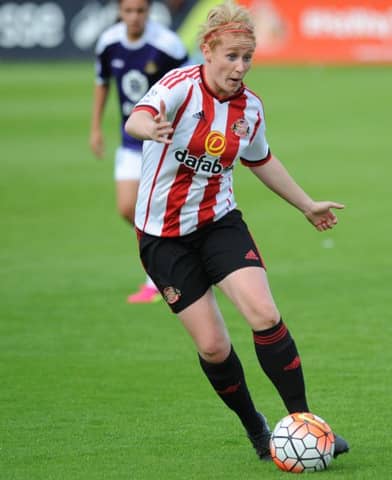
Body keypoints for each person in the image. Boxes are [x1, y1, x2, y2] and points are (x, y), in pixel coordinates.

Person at [123, 0, 350, 461]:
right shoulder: (178, 87)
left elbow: (260, 159)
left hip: (219, 224)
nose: (240, 66)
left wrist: (306, 205)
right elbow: (137, 117)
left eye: (247, 57)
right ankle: (256, 429)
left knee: (265, 315)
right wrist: (152, 129)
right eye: (231, 56)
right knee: (212, 346)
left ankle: (305, 425)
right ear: (207, 50)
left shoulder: (250, 107)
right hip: (163, 238)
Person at [90, 0, 189, 303]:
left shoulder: (168, 45)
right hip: (131, 139)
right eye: (128, 10)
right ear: (119, 11)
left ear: (148, 11)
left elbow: (191, 86)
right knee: (126, 207)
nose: (134, 17)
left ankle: (157, 277)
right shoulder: (108, 42)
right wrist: (95, 127)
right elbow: (102, 82)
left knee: (154, 210)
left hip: (163, 142)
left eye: (140, 10)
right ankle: (175, 252)